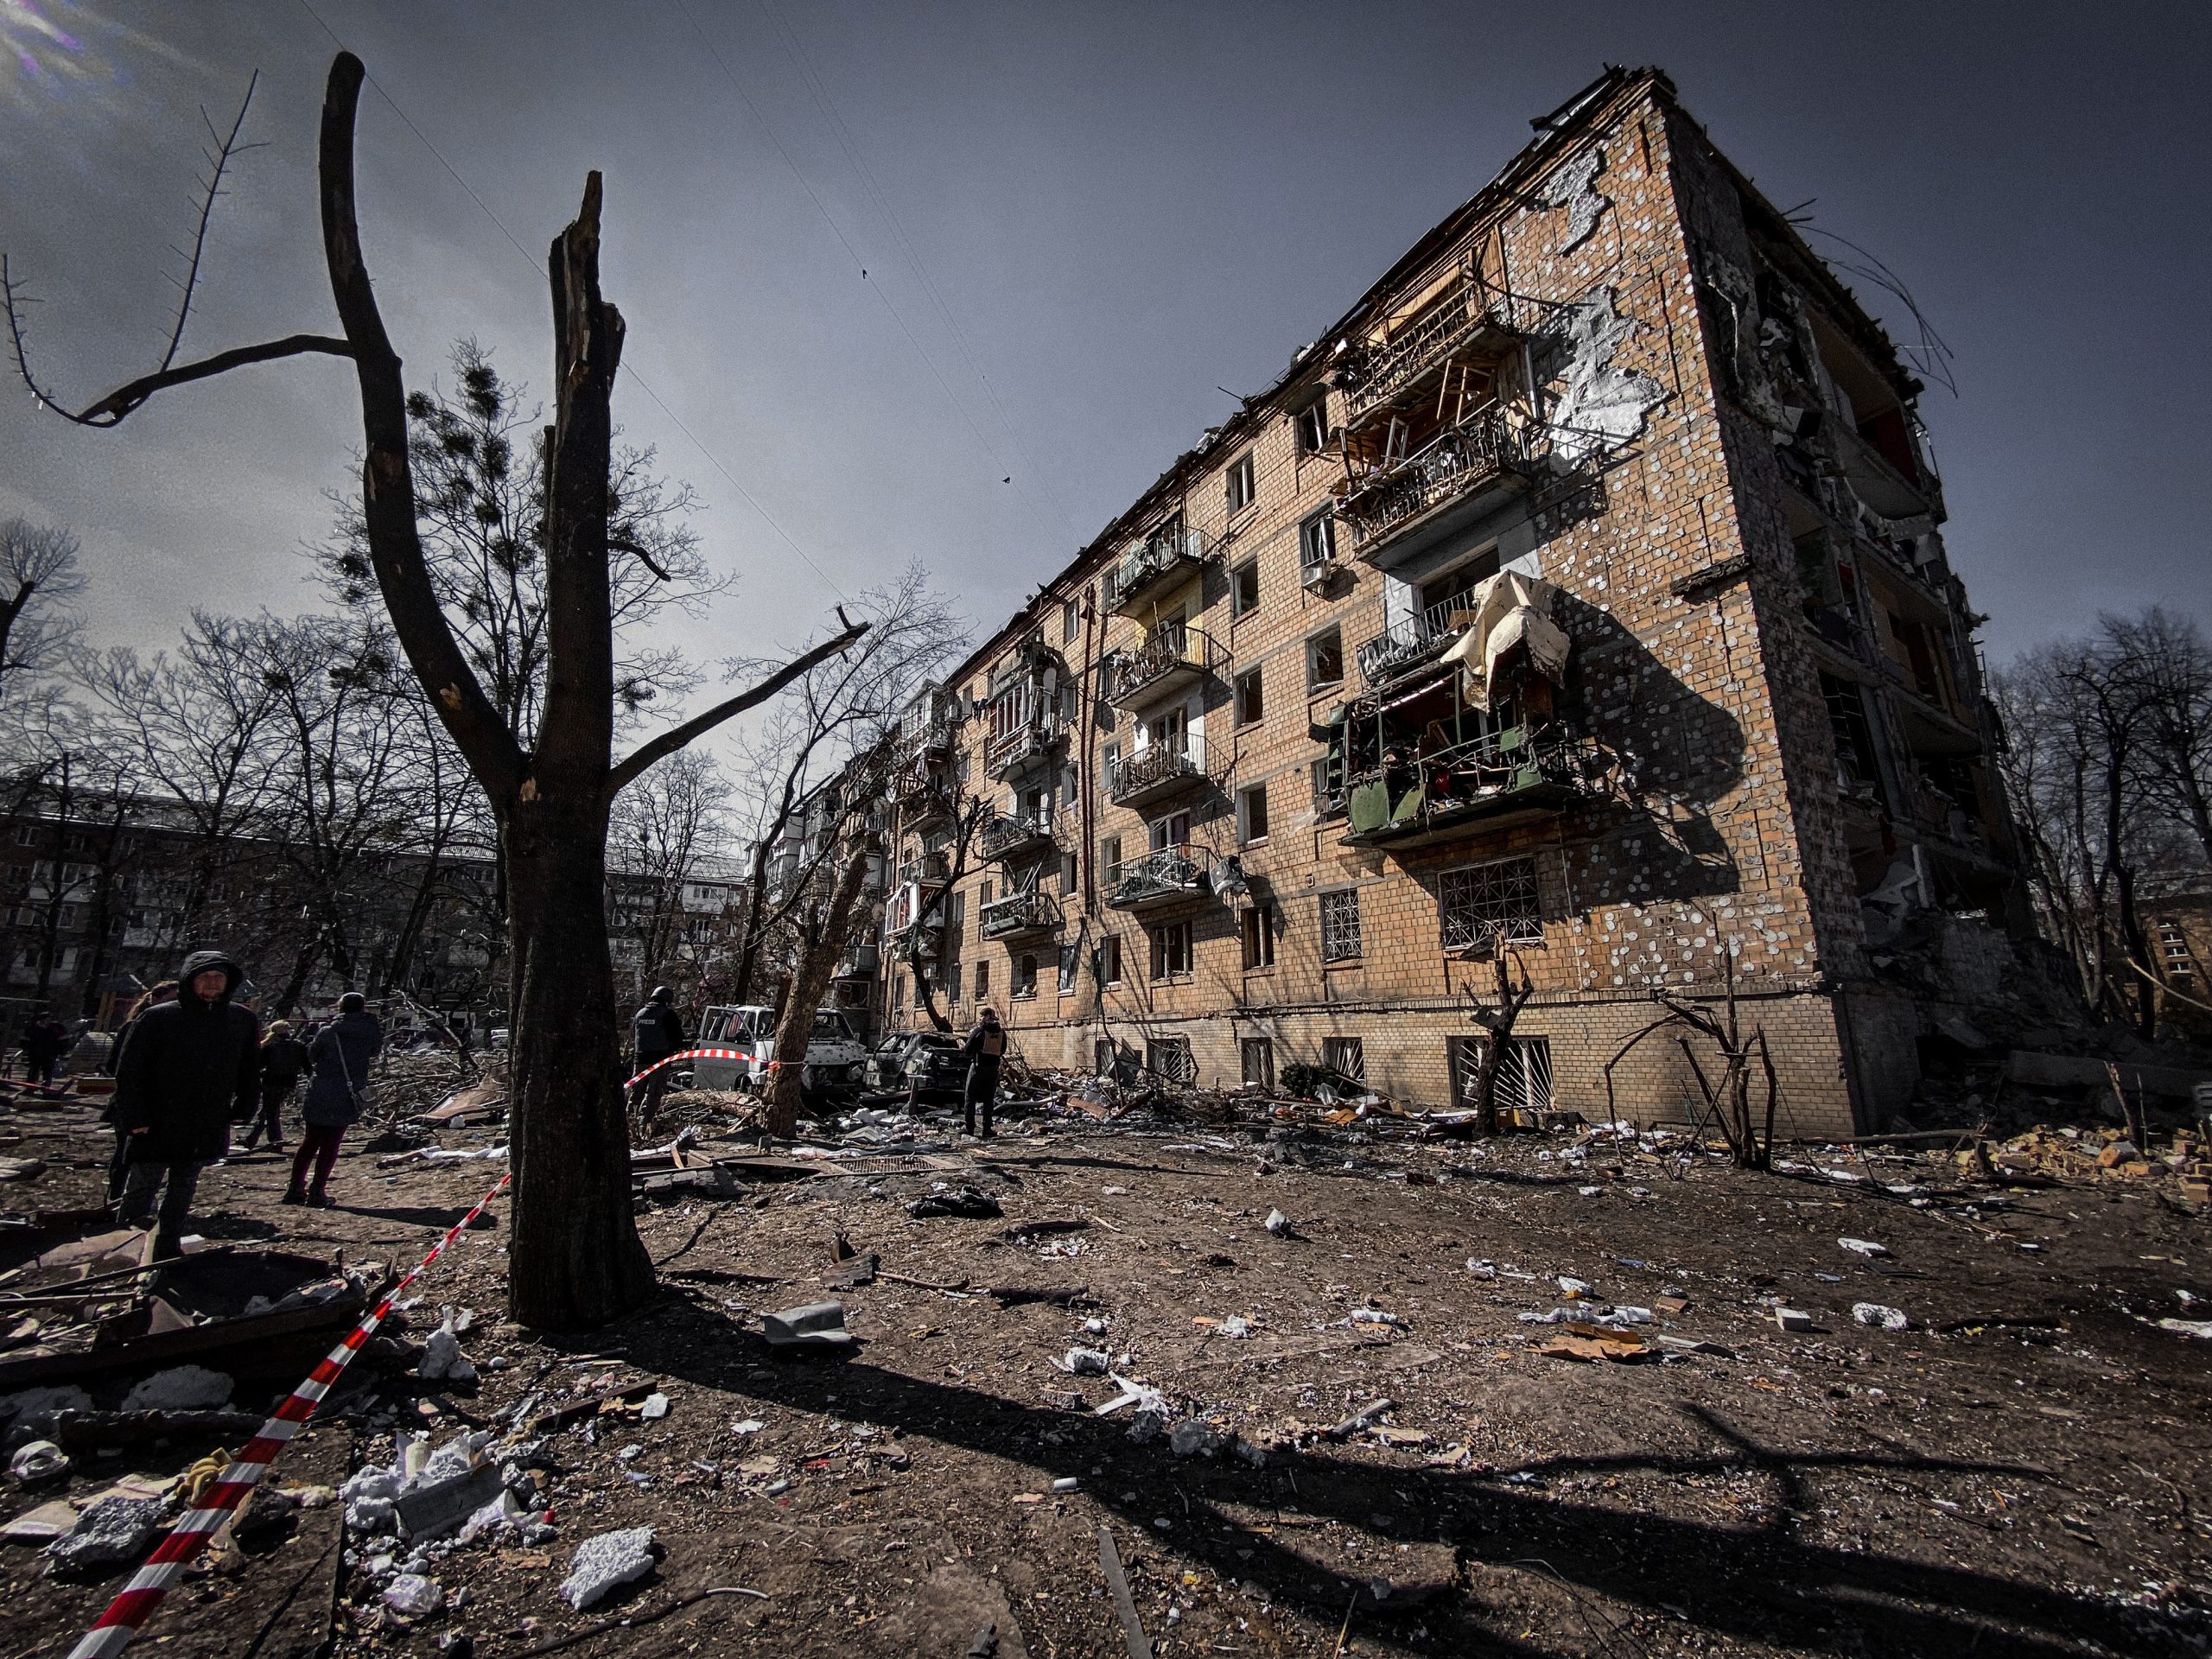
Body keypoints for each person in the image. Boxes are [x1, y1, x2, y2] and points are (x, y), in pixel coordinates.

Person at [111, 952, 261, 1258]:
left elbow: (249, 1068)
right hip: (156, 1118)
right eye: (204, 977)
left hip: (204, 1118)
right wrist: (135, 1115)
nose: (211, 984)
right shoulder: (159, 1017)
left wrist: (245, 1106)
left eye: (218, 978)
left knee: (183, 1188)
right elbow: (130, 1070)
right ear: (189, 979)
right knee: (142, 1187)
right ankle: (122, 1254)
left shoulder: (240, 1019)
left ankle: (166, 1250)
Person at [286, 991, 382, 1208]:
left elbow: (312, 1056)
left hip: (321, 1090)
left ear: (341, 1007)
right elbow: (375, 1052)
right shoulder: (370, 1030)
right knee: (332, 1143)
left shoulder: (328, 1031)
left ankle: (295, 1189)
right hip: (349, 1092)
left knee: (309, 1142)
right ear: (362, 1007)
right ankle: (317, 1191)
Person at [104, 981, 178, 1200]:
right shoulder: (135, 1026)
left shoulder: (178, 1030)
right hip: (133, 1101)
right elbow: (115, 1067)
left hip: (163, 1105)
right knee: (126, 1154)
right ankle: (117, 1199)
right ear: (155, 999)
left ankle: (139, 1201)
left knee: (152, 1158)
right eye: (172, 1000)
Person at [239, 1020, 309, 1154]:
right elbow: (306, 1065)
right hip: (289, 1083)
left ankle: (275, 1141)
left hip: (271, 1082)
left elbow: (259, 1065)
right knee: (269, 1111)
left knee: (271, 1112)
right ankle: (252, 1139)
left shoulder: (270, 1045)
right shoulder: (298, 1045)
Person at [628, 985, 686, 1127]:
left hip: (639, 1060)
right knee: (654, 1094)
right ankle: (647, 1124)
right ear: (667, 1000)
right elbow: (677, 1037)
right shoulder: (667, 1014)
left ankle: (628, 1121)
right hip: (659, 1062)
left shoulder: (640, 1014)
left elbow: (633, 1036)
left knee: (636, 1094)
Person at [961, 1006, 1007, 1138]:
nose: (980, 1019)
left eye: (981, 1016)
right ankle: (987, 1129)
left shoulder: (979, 1031)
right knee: (988, 1100)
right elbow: (1002, 1050)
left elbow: (968, 1050)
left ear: (986, 1017)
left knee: (970, 1098)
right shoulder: (1001, 1033)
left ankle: (969, 1128)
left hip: (978, 1068)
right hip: (993, 1070)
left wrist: (965, 1047)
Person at [21, 1014, 65, 1087]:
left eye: (49, 1019)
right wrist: (26, 1049)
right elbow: (25, 1039)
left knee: (47, 1072)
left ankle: (46, 1087)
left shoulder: (54, 1029)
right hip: (35, 1053)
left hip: (50, 1054)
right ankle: (30, 1086)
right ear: (41, 1020)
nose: (48, 1021)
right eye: (46, 1019)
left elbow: (62, 1040)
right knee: (33, 1070)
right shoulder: (33, 1029)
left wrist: (62, 1051)